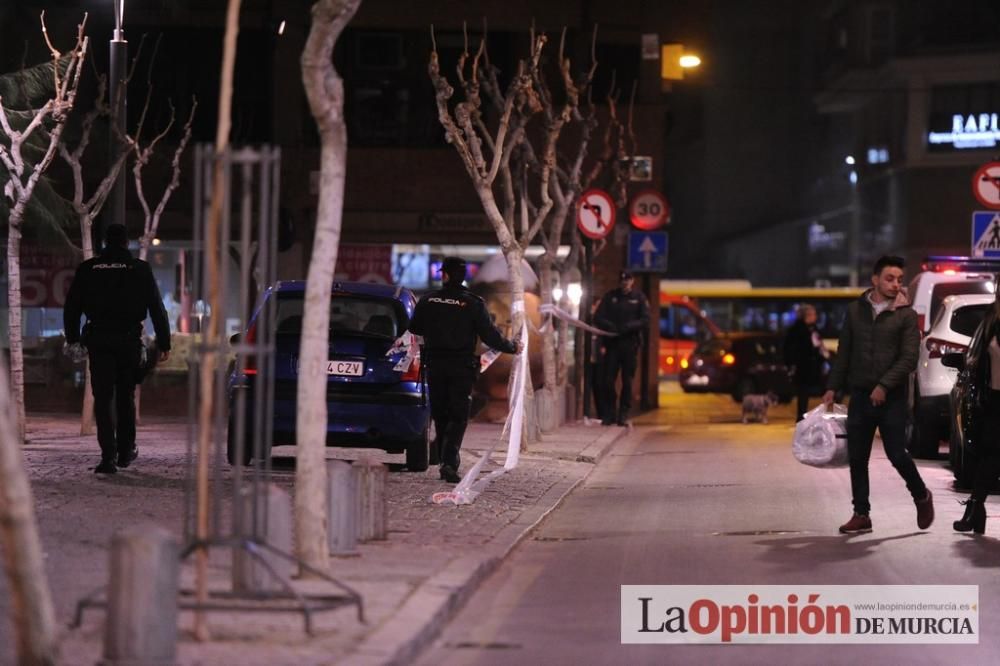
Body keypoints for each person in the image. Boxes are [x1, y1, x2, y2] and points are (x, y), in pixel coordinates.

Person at [822, 255, 933, 534]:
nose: (896, 285)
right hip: (860, 396)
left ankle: (921, 495)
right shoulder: (855, 311)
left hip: (892, 398)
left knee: (897, 454)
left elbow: (909, 358)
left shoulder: (906, 315)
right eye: (889, 278)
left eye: (899, 279)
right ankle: (862, 514)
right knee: (858, 458)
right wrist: (832, 387)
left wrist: (883, 386)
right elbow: (844, 353)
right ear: (875, 280)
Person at [63, 224, 171, 474]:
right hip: (128, 340)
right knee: (125, 395)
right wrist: (164, 342)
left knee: (102, 398)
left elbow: (72, 307)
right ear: (125, 243)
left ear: (104, 244)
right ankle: (125, 450)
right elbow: (156, 307)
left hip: (99, 341)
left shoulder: (88, 269)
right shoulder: (139, 269)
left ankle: (108, 456)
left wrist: (73, 338)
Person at [408, 256, 521, 483]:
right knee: (458, 416)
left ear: (445, 275)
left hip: (436, 365)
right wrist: (512, 347)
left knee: (441, 413)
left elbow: (414, 327)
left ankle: (443, 457)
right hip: (461, 367)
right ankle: (449, 462)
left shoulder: (428, 300)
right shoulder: (473, 303)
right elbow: (490, 335)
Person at [952, 273, 1000, 534]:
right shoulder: (992, 318)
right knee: (989, 455)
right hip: (993, 399)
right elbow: (978, 360)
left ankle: (974, 510)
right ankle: (975, 509)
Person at [594, 270, 650, 426]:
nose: (624, 282)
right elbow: (597, 317)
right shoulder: (611, 297)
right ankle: (609, 414)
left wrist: (629, 327)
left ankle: (623, 414)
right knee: (608, 381)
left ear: (632, 281)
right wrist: (610, 327)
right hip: (612, 344)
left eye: (627, 280)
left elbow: (645, 320)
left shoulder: (639, 298)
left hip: (630, 345)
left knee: (627, 382)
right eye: (622, 280)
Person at [783, 304, 829, 421]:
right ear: (806, 315)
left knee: (825, 390)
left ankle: (825, 416)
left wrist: (823, 356)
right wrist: (792, 364)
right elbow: (790, 349)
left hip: (815, 366)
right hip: (803, 367)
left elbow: (818, 344)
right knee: (803, 393)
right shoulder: (796, 330)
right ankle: (801, 418)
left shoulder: (814, 328)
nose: (816, 316)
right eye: (813, 314)